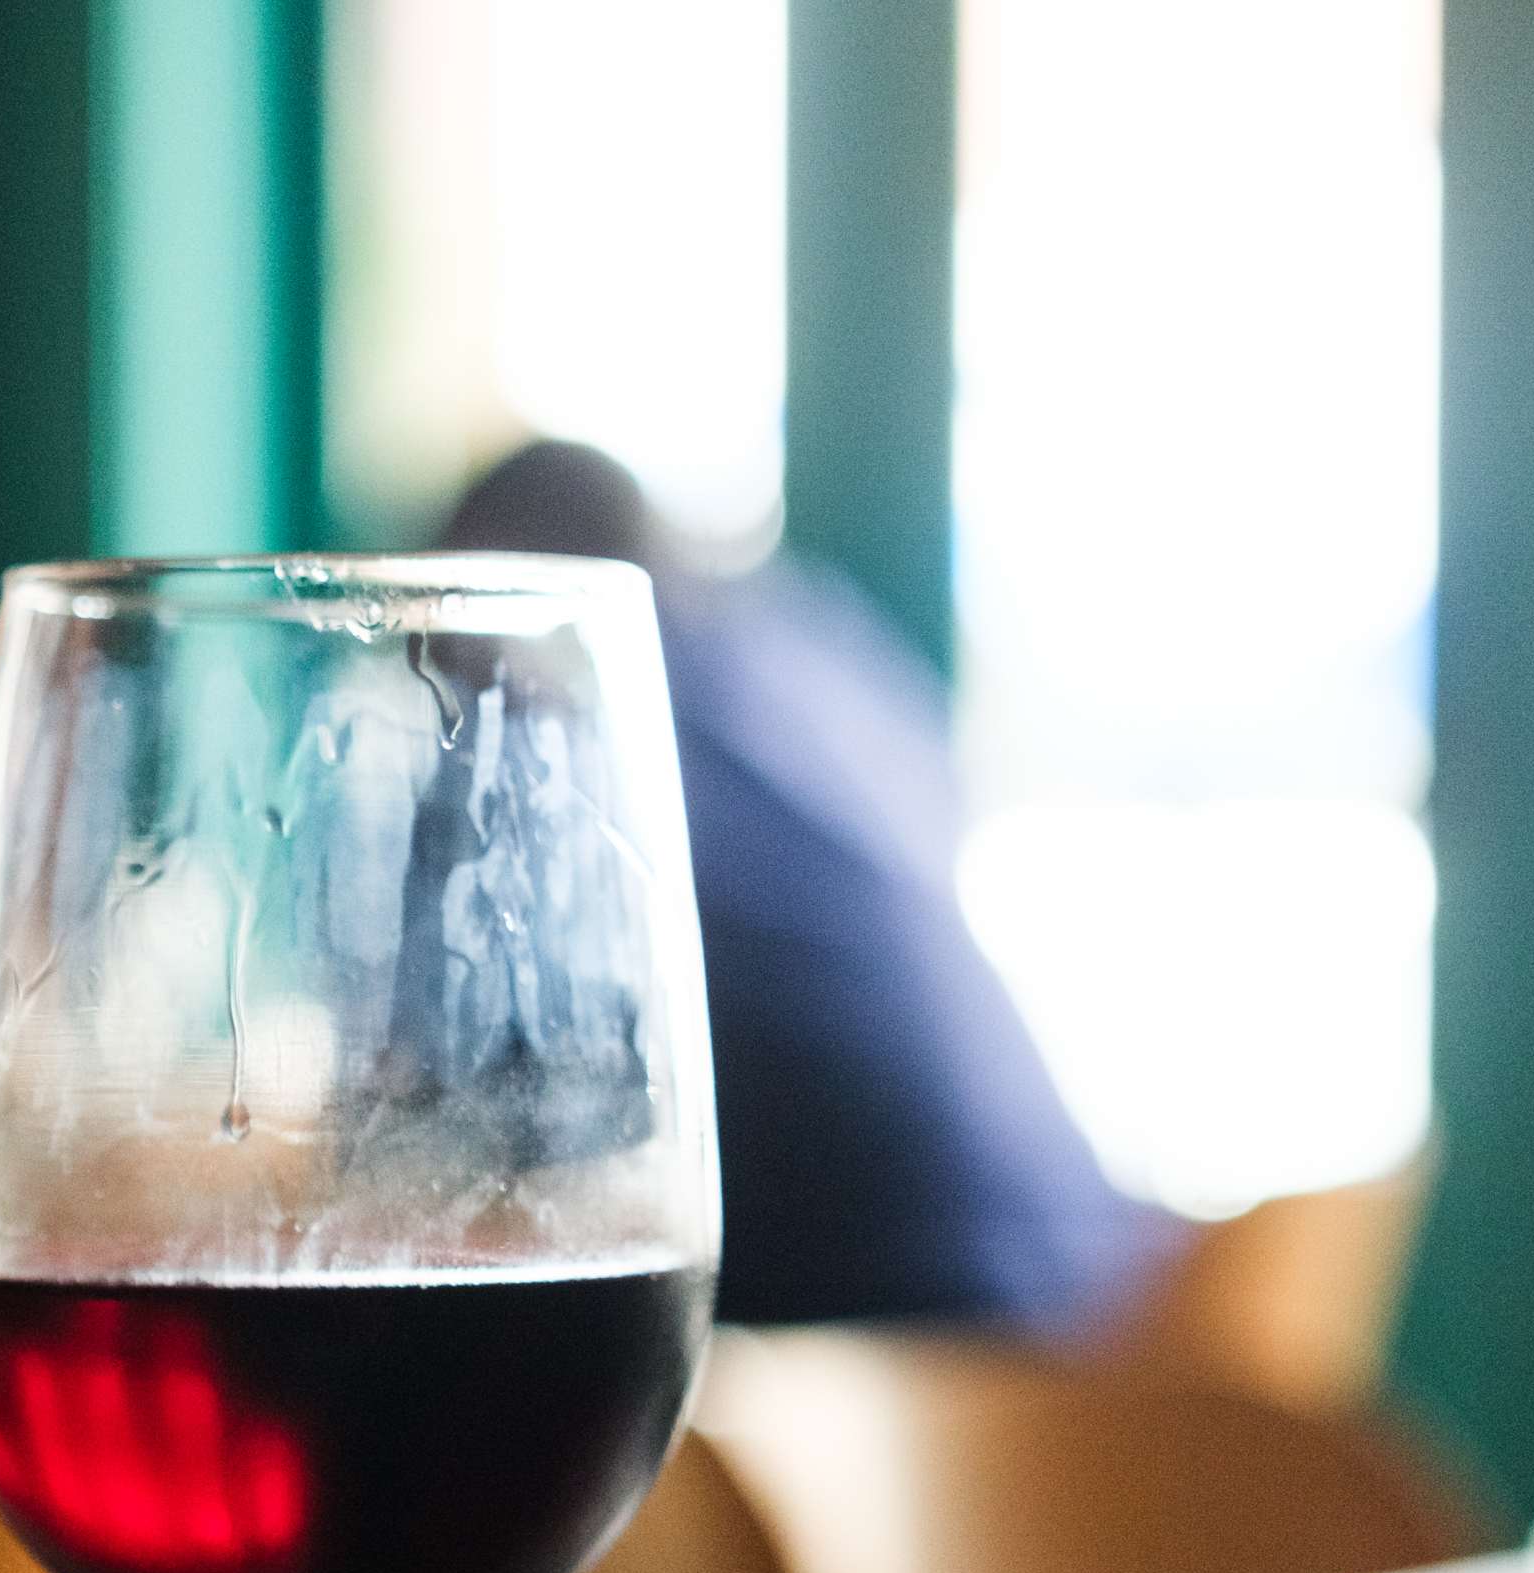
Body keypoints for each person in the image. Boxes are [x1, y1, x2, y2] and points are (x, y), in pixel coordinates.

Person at [442, 439, 1177, 1334]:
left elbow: (486, 1103)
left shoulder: (609, 751)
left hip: (924, 1365)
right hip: (1101, 1284)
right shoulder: (807, 660)